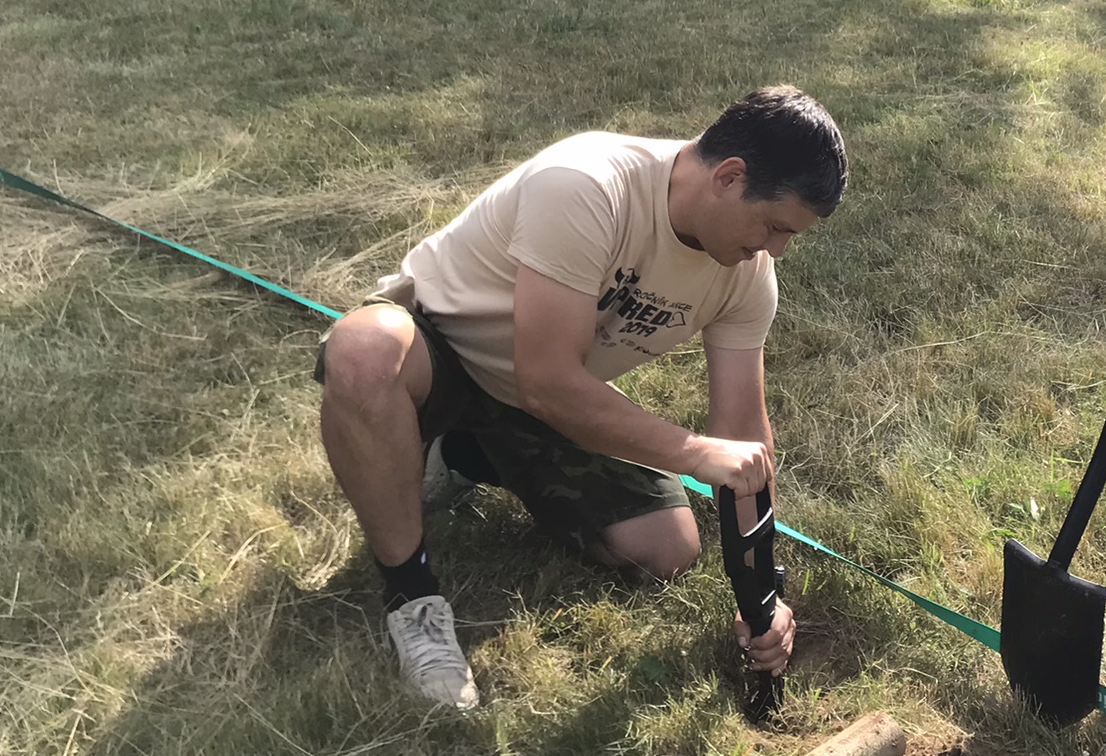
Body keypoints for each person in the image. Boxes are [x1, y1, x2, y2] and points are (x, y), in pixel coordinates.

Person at [315, 87, 847, 707]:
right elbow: (547, 380)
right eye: (775, 226)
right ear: (729, 177)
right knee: (364, 351)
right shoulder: (587, 185)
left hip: (542, 398)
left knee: (667, 549)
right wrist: (695, 453)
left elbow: (744, 435)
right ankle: (413, 598)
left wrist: (762, 599)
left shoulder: (748, 275)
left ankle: (459, 455)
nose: (776, 249)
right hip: (442, 355)